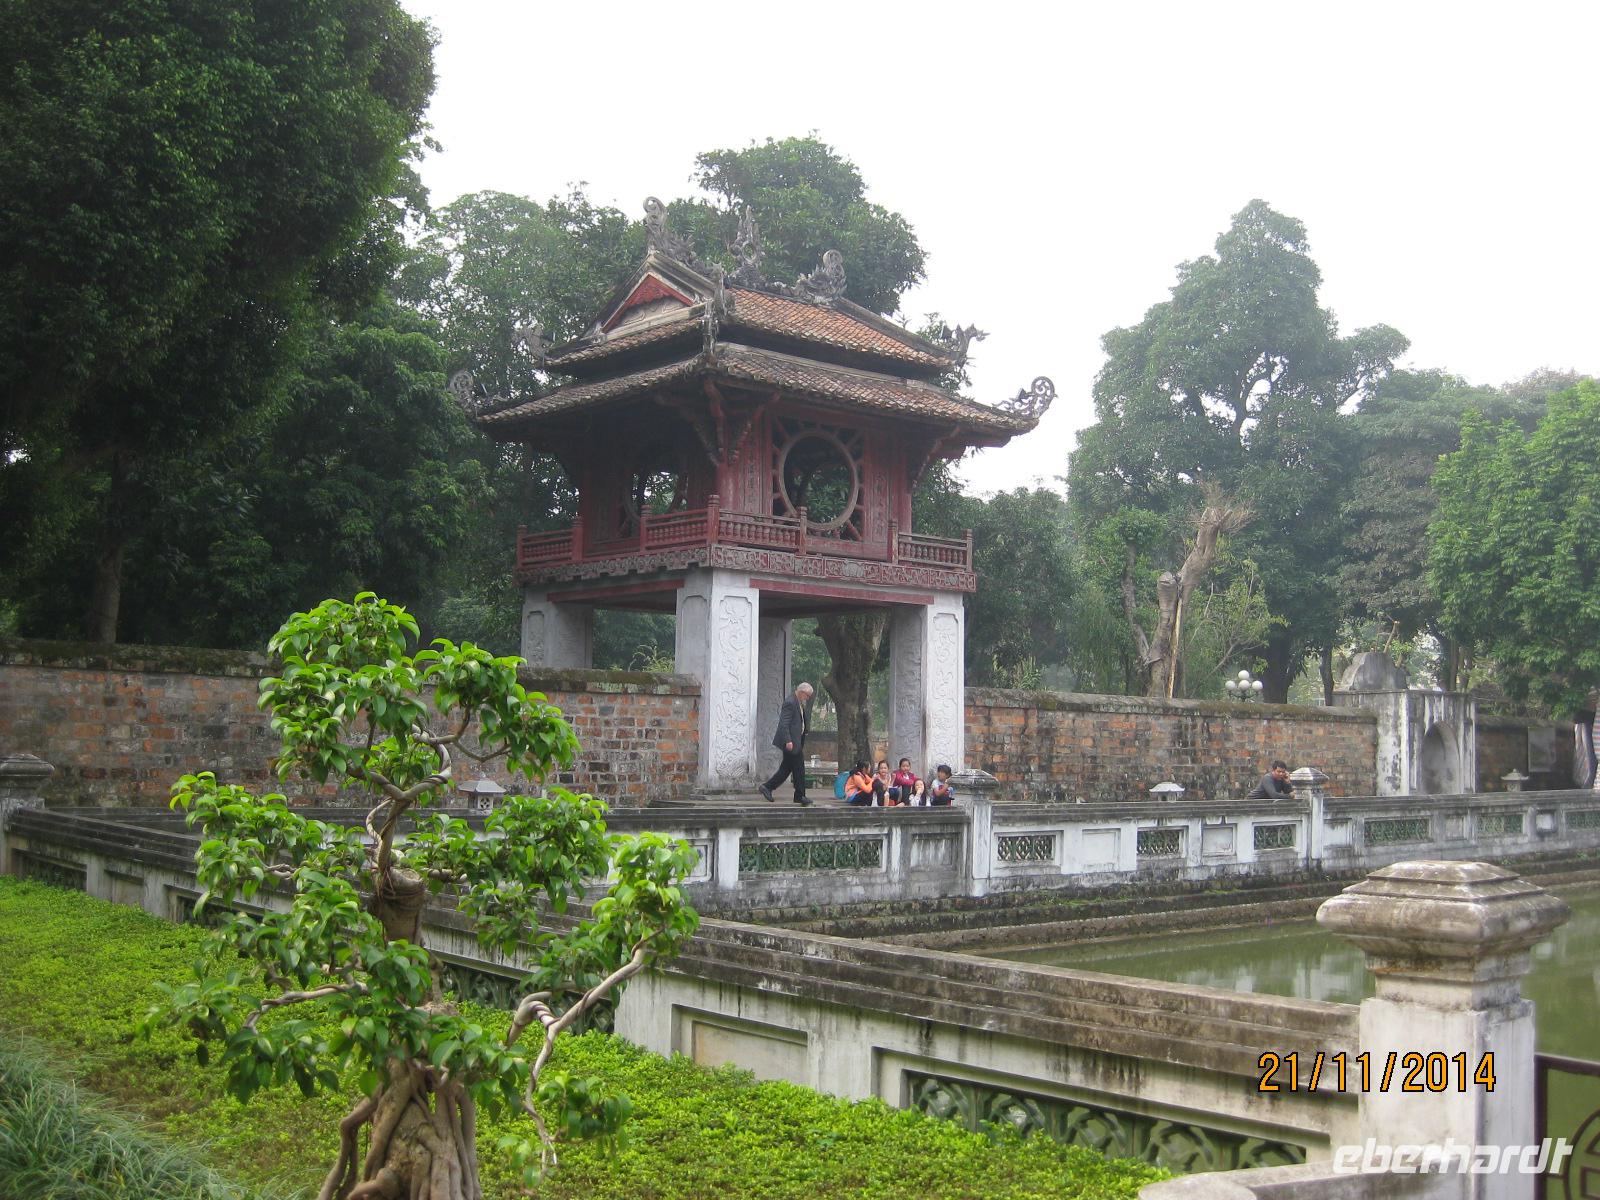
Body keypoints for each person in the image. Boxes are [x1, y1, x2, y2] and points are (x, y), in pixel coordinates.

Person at [759, 683, 814, 806]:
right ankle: (800, 796)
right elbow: (784, 724)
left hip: (796, 741)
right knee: (799, 769)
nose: (808, 698)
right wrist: (788, 740)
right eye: (807, 695)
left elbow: (799, 721)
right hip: (791, 742)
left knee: (786, 769)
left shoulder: (798, 702)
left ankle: (767, 787)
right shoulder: (790, 702)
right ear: (802, 692)